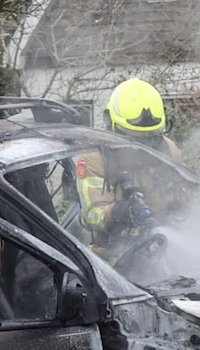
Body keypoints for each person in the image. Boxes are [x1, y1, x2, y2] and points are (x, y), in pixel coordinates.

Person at [76, 78, 182, 251]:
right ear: (110, 123)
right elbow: (91, 215)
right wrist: (118, 212)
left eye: (151, 137)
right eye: (135, 138)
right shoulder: (93, 159)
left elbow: (182, 201)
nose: (143, 146)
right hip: (114, 257)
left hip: (161, 248)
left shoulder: (169, 150)